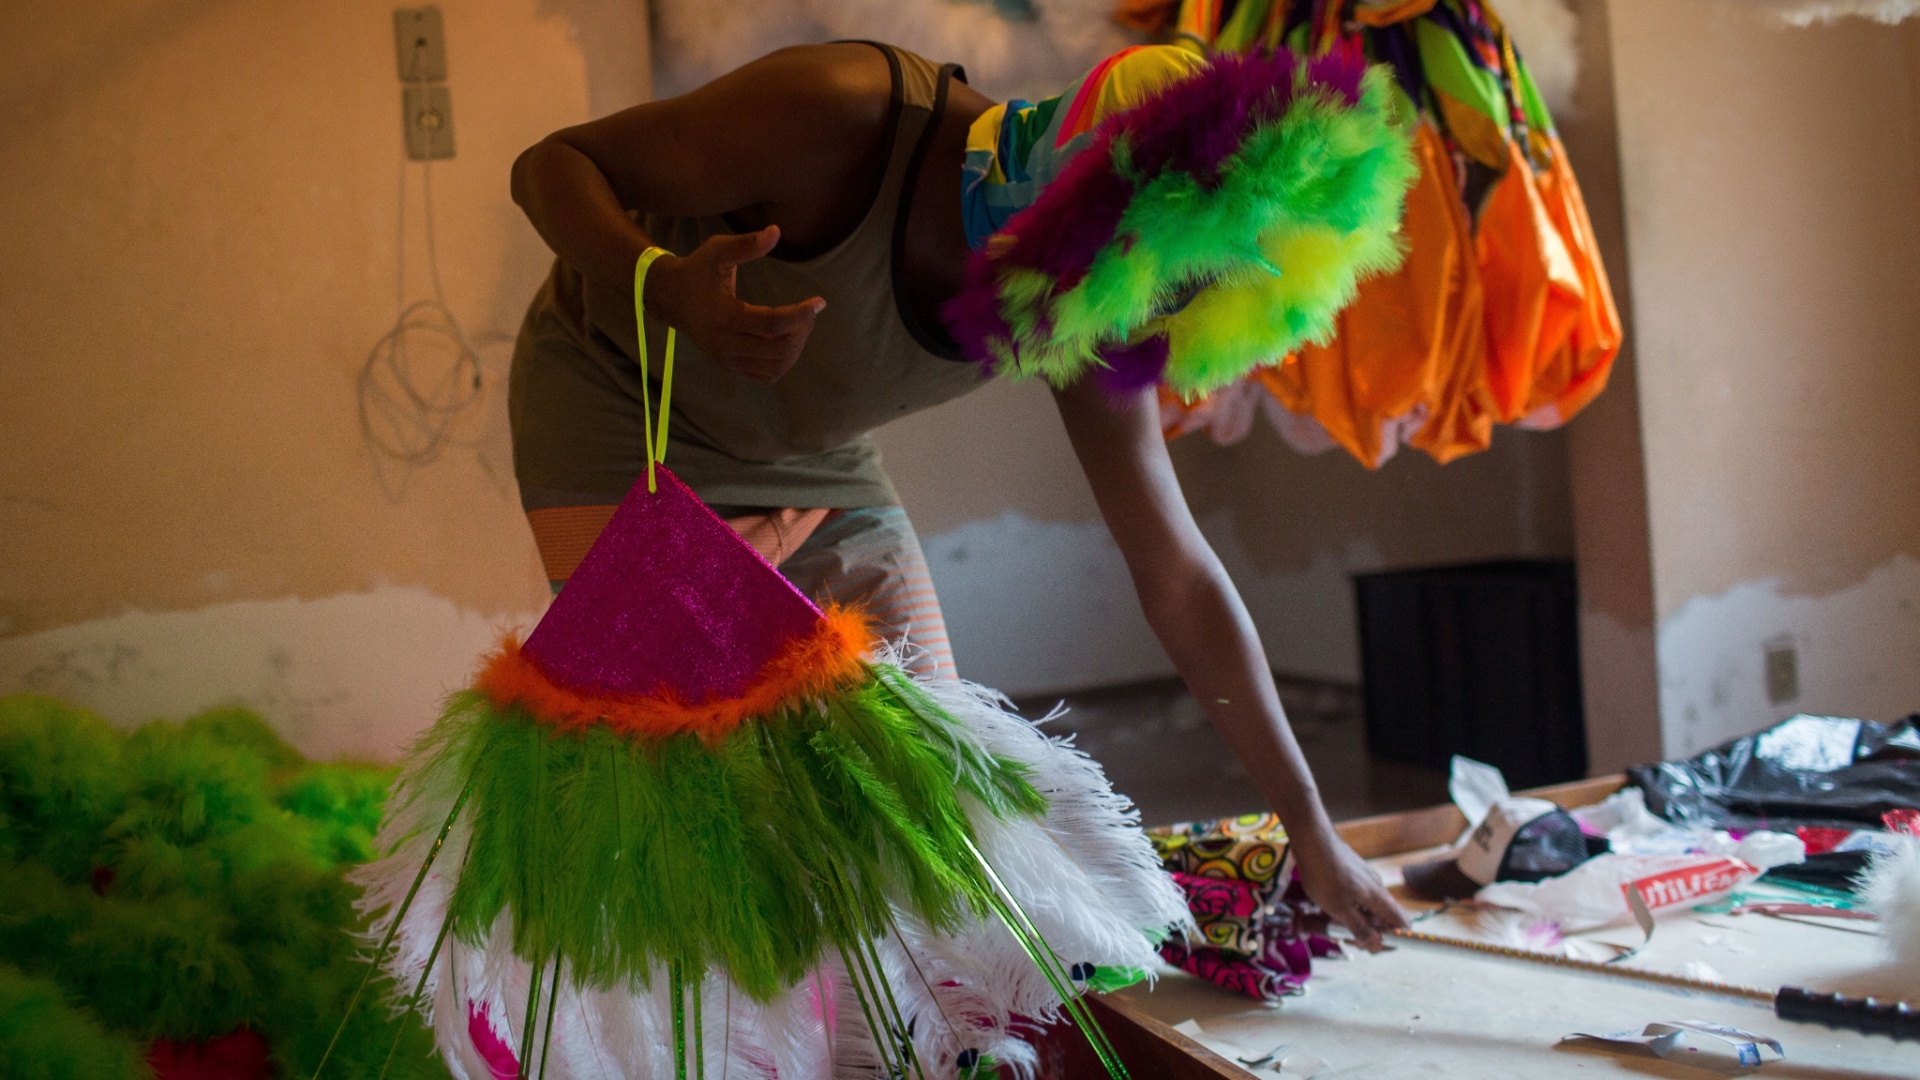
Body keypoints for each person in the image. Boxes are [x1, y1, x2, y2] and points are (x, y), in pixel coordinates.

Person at [507, 39, 1412, 949]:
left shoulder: (1093, 298)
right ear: (1091, 197)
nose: (1149, 308)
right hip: (623, 408)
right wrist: (664, 287)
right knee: (701, 811)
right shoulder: (841, 112)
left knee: (924, 794)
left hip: (811, 453)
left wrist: (1310, 828)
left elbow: (1178, 573)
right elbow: (551, 165)